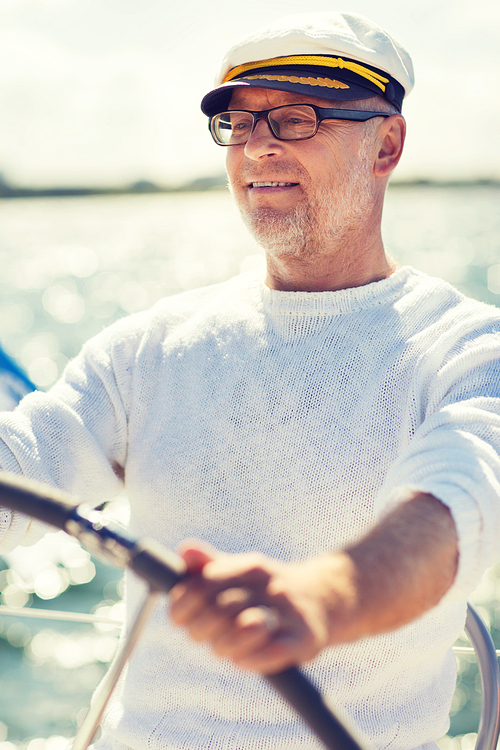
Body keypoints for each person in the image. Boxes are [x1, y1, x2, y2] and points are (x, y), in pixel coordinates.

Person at [1, 10, 500, 750]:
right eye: (239, 121)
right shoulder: (150, 348)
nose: (258, 144)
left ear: (386, 144)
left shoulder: (464, 347)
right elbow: (24, 466)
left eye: (297, 119)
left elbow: (462, 501)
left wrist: (323, 597)